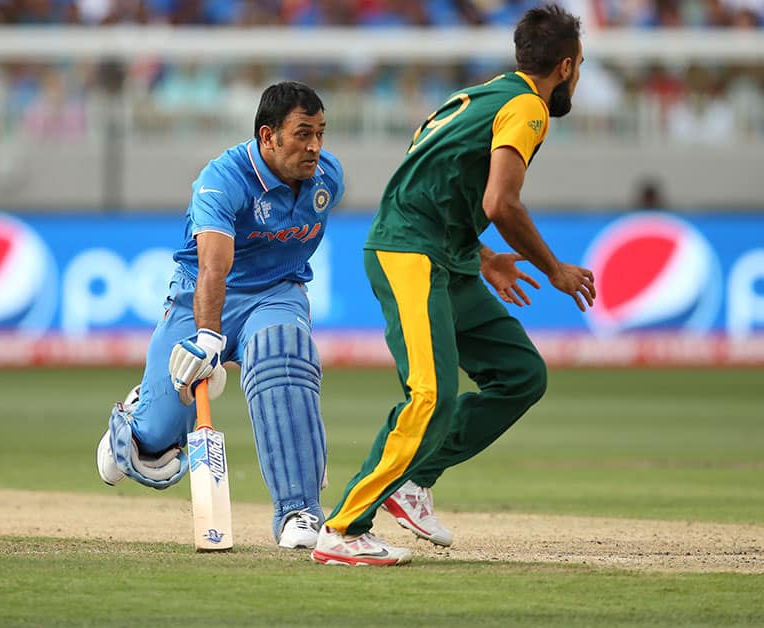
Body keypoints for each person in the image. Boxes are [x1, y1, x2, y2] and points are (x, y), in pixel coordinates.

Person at [312, 4, 596, 566]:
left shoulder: (478, 96)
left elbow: (436, 178)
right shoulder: (528, 108)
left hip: (450, 256)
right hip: (410, 253)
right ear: (564, 67)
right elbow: (500, 202)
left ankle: (413, 481)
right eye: (580, 66)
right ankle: (343, 529)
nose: (578, 77)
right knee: (432, 396)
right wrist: (554, 268)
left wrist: (484, 254)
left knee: (520, 374)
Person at [96, 81, 343, 550]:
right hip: (202, 297)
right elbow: (214, 266)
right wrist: (209, 338)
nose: (315, 146)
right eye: (303, 134)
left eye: (321, 133)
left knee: (282, 356)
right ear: (268, 137)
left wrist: (294, 415)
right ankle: (137, 420)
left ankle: (299, 509)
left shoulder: (328, 177)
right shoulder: (221, 179)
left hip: (275, 293)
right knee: (154, 453)